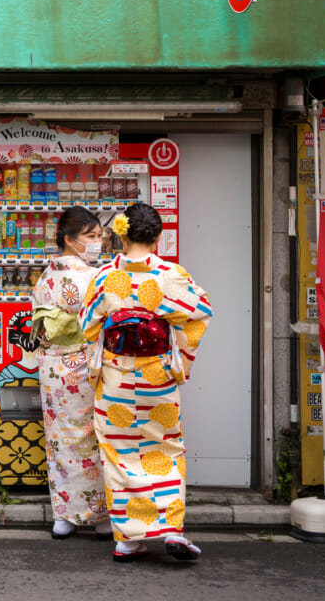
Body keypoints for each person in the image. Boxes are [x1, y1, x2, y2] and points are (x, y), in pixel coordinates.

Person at [78, 202, 212, 562]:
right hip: (156, 378)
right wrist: (177, 359)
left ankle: (127, 538)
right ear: (158, 236)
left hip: (117, 378)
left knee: (120, 454)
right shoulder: (170, 274)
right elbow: (199, 314)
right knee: (165, 449)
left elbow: (87, 324)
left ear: (120, 234)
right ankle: (170, 529)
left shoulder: (105, 276)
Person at [28, 206, 111, 540]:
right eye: (90, 236)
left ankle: (63, 516)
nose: (98, 242)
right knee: (92, 438)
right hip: (85, 364)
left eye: (99, 235)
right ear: (69, 239)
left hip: (52, 366)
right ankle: (99, 516)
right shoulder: (94, 277)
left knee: (59, 440)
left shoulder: (46, 276)